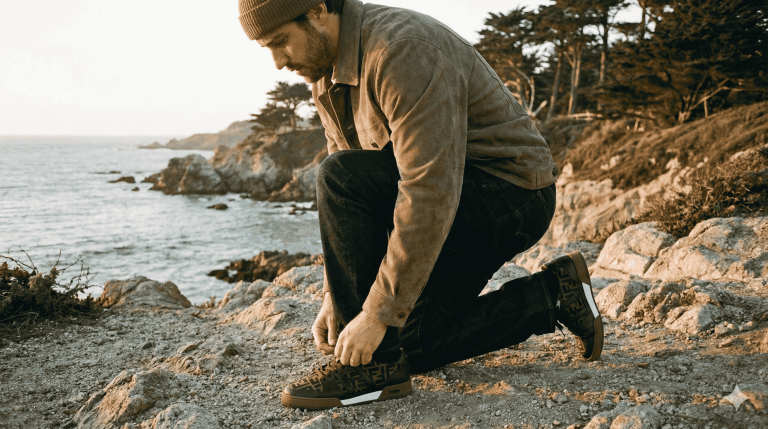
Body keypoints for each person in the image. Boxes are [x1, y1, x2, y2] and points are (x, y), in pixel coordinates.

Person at [237, 0, 604, 410]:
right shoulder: (328, 71)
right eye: (266, 48)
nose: (277, 62)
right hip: (457, 197)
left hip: (510, 196)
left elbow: (427, 188)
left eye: (281, 42)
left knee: (337, 178)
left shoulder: (402, 50)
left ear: (319, 10)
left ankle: (372, 369)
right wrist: (335, 296)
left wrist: (375, 316)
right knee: (405, 345)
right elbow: (358, 205)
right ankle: (554, 293)